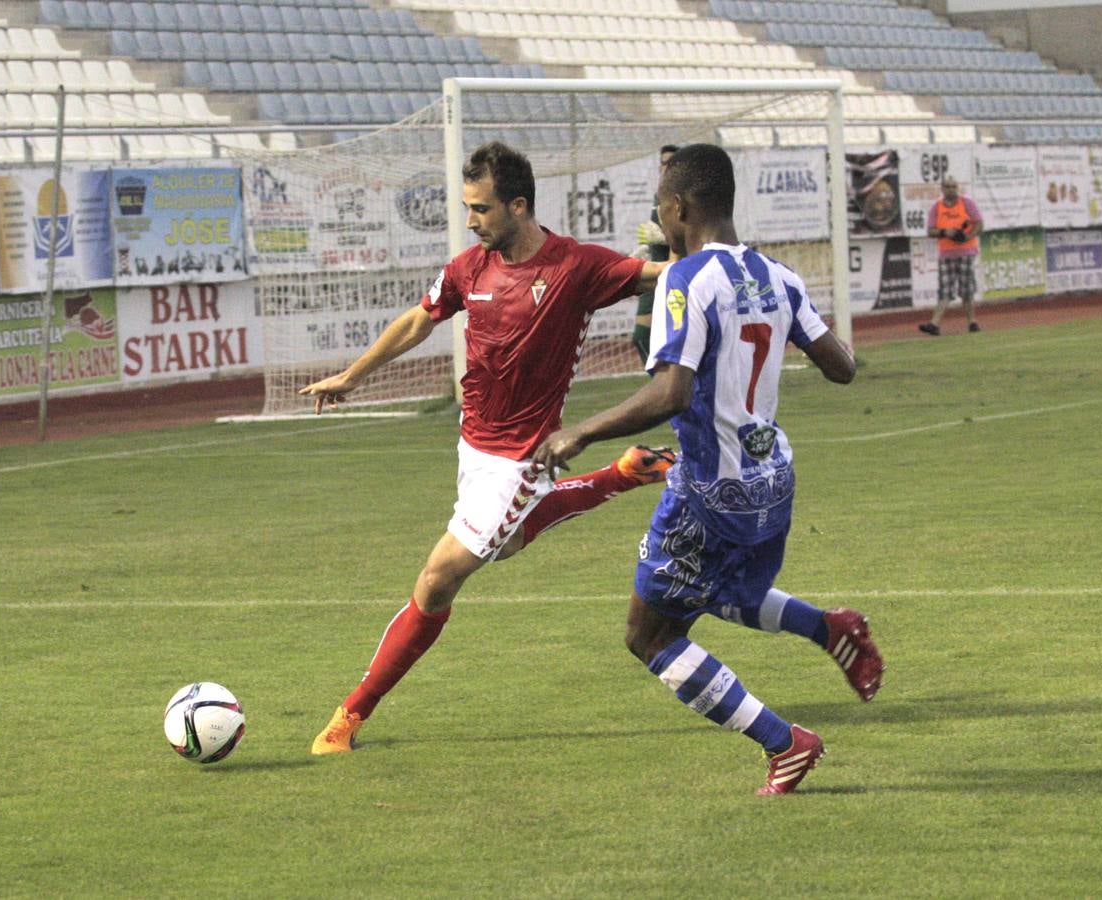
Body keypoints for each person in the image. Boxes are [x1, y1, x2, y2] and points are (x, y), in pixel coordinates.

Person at [533, 144, 885, 796]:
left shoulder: (684, 277)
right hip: (771, 479)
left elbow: (671, 393)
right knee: (724, 593)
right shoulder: (779, 275)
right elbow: (842, 367)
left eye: (661, 204)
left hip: (709, 490)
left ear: (679, 207)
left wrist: (580, 429)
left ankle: (786, 743)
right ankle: (830, 628)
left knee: (650, 635)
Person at [301, 141, 674, 755]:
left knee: (437, 578)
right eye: (466, 208)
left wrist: (720, 259)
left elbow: (655, 274)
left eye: (479, 208)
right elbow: (419, 319)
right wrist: (352, 375)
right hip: (472, 450)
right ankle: (623, 472)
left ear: (518, 206)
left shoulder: (573, 267)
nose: (470, 221)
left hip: (522, 458)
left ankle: (350, 715)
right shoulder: (469, 267)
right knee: (507, 543)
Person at [630, 144, 682, 363]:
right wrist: (646, 251)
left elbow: (690, 235)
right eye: (663, 162)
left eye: (671, 162)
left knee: (674, 338)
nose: (666, 167)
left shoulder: (683, 196)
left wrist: (663, 238)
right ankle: (667, 389)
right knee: (642, 337)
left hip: (676, 272)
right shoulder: (658, 196)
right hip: (656, 272)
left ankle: (677, 390)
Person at [920, 174, 983, 335]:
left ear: (958, 188)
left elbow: (979, 223)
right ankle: (934, 324)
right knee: (945, 289)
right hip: (946, 254)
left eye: (953, 186)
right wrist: (945, 232)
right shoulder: (937, 207)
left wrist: (967, 237)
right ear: (942, 189)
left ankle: (972, 322)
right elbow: (930, 230)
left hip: (966, 252)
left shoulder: (967, 203)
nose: (951, 189)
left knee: (966, 289)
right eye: (947, 186)